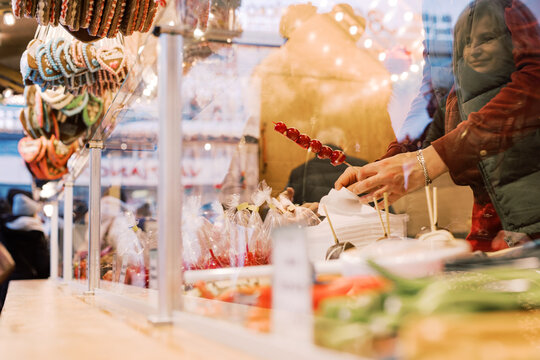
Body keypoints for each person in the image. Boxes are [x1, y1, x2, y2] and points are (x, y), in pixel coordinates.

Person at [336, 0, 540, 252]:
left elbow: (535, 82)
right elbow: (436, 97)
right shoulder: (437, 8)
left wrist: (431, 160)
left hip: (530, 205)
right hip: (490, 210)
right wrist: (386, 164)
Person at [282, 127, 368, 211]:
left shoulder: (299, 171)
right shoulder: (361, 166)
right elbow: (372, 202)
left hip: (311, 223)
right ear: (341, 143)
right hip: (356, 222)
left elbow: (289, 205)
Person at [0, 193, 49, 311]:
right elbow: (43, 264)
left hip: (7, 281)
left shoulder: (5, 229)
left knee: (7, 316)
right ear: (33, 213)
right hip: (29, 283)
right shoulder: (36, 232)